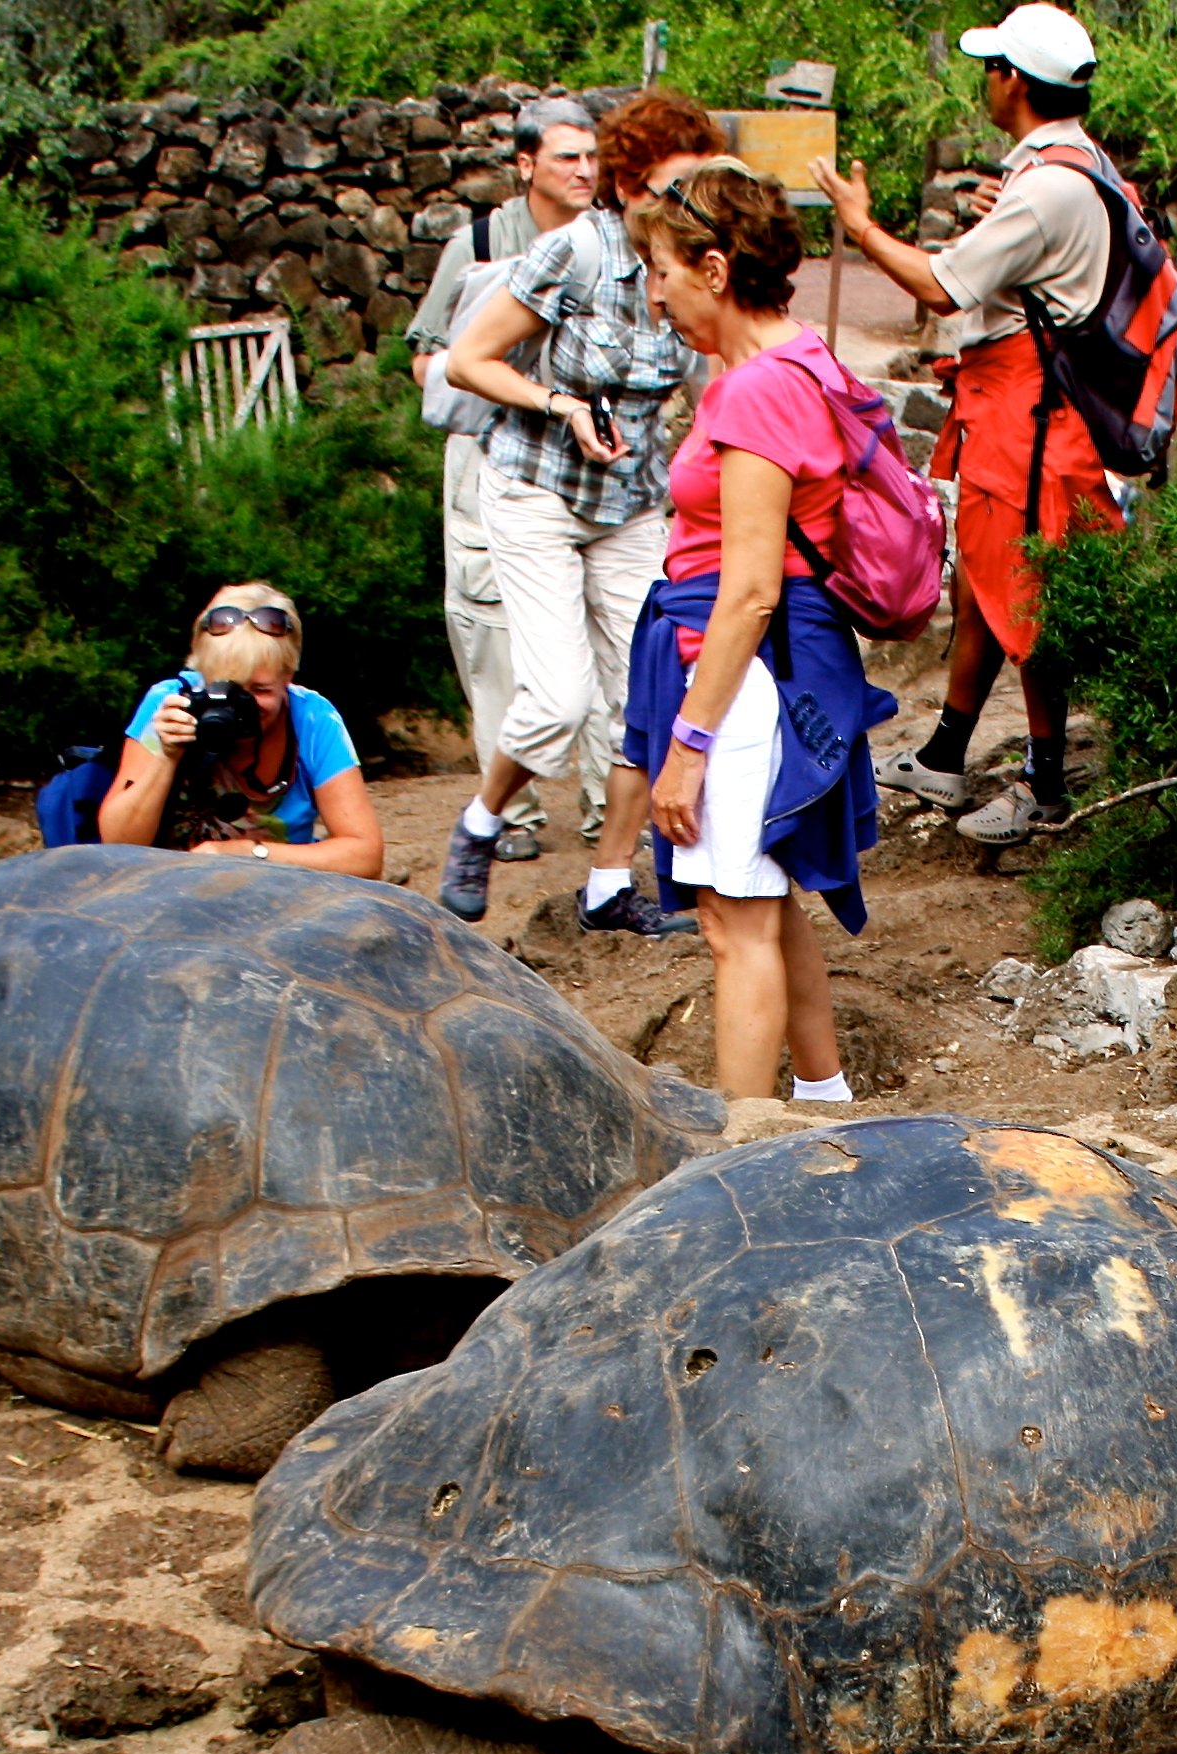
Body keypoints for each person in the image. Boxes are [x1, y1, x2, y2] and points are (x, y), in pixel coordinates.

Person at [815, 2, 1129, 847]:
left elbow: (939, 286)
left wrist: (859, 226)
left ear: (1014, 82)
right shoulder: (1070, 168)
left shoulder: (1049, 186)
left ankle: (1045, 784)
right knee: (986, 579)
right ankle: (949, 752)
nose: (984, 78)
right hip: (1020, 406)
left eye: (991, 66)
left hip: (1028, 417)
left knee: (1024, 585)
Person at [430, 88, 729, 937]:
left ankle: (608, 885)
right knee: (559, 703)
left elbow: (714, 381)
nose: (687, 201)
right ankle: (482, 821)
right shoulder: (576, 254)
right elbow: (467, 361)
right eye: (675, 185)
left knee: (651, 695)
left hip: (631, 502)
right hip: (534, 491)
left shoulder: (696, 261)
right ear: (630, 184)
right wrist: (557, 401)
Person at [622, 162, 891, 1102]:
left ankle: (737, 1150)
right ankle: (823, 1105)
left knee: (731, 926)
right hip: (767, 671)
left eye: (658, 270)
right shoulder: (795, 358)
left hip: (743, 678)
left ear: (712, 267)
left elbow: (747, 591)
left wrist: (687, 744)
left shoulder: (753, 391)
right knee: (769, 906)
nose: (652, 293)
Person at [407, 96, 604, 862]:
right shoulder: (479, 243)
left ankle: (603, 807)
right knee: (489, 628)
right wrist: (498, 379)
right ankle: (510, 816)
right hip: (490, 454)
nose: (584, 170)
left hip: (585, 459)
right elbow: (426, 356)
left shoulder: (612, 242)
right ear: (526, 165)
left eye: (592, 156)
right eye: (566, 157)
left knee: (600, 623)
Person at [97, 583, 386, 877]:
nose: (242, 705)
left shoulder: (312, 719)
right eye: (228, 688)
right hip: (166, 889)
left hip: (272, 893)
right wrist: (166, 756)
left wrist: (249, 853)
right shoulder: (170, 705)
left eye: (260, 690)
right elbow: (118, 844)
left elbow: (365, 858)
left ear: (288, 676)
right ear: (202, 675)